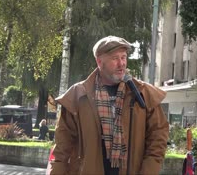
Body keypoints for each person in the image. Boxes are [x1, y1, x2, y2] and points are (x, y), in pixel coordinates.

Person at [50, 36, 169, 175]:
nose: (121, 63)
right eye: (115, 58)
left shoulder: (142, 93)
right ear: (99, 62)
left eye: (123, 57)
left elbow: (158, 139)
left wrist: (148, 172)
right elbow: (62, 146)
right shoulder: (78, 95)